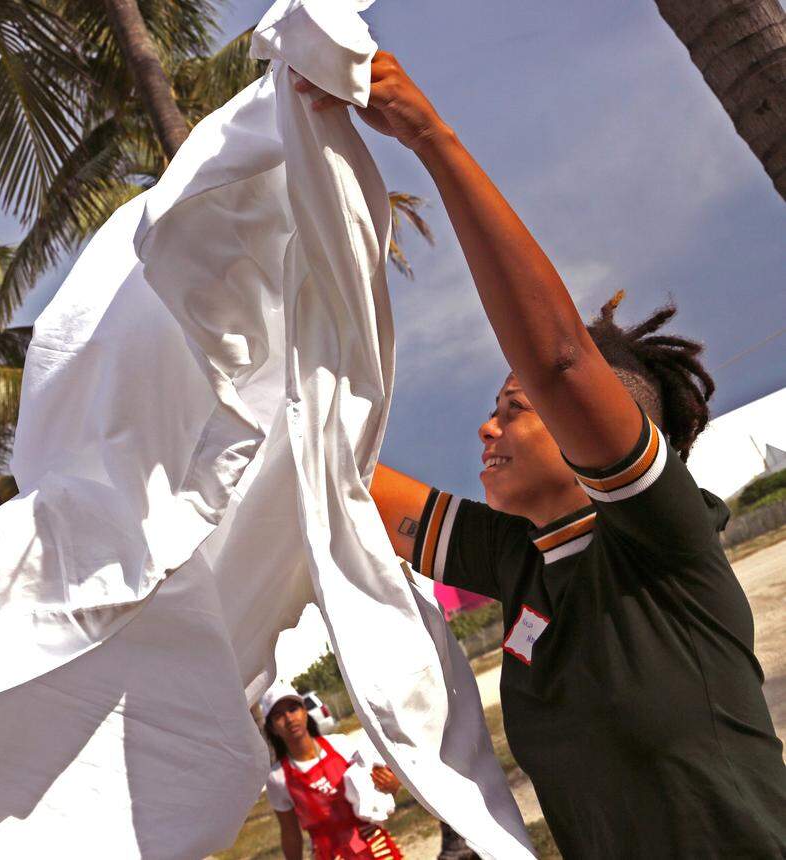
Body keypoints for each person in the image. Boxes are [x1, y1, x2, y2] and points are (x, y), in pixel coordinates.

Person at [295, 53, 786, 856]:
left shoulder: (662, 543)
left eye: (513, 411)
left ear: (606, 424)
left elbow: (558, 359)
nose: (487, 431)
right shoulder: (525, 563)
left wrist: (429, 136)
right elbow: (331, 475)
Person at [261, 683, 404, 860]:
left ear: (305, 712)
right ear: (272, 728)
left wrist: (393, 783)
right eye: (278, 715)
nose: (289, 718)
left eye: (293, 709)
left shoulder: (341, 744)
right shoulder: (277, 778)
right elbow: (291, 835)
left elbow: (379, 786)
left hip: (376, 848)